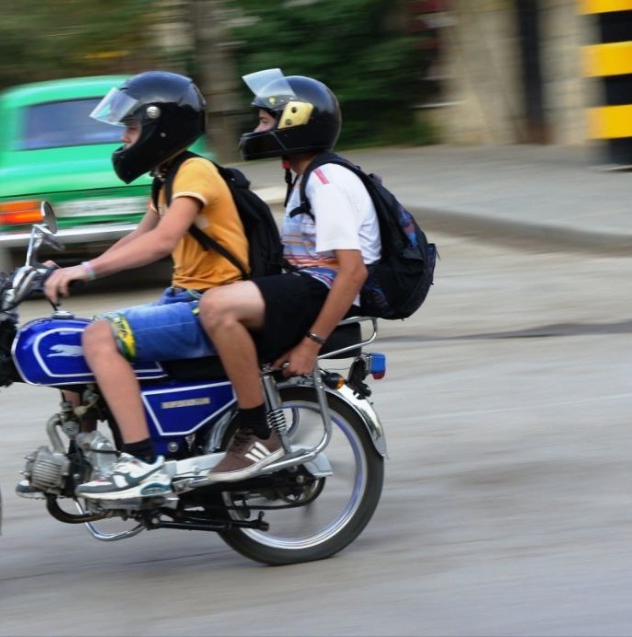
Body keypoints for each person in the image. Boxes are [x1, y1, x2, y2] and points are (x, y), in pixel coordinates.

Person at [42, 70, 249, 500]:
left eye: (132, 129)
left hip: (210, 306)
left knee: (100, 337)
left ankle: (142, 463)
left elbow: (162, 241)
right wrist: (76, 267)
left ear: (161, 128)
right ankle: (89, 449)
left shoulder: (195, 172)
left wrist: (88, 273)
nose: (124, 139)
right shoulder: (166, 178)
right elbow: (137, 236)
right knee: (76, 340)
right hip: (184, 298)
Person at [200, 69, 381, 482]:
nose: (256, 129)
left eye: (265, 120)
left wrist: (310, 346)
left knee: (218, 308)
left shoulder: (327, 181)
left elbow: (350, 273)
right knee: (209, 299)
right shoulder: (308, 176)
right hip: (309, 288)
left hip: (322, 292)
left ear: (296, 122)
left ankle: (260, 433)